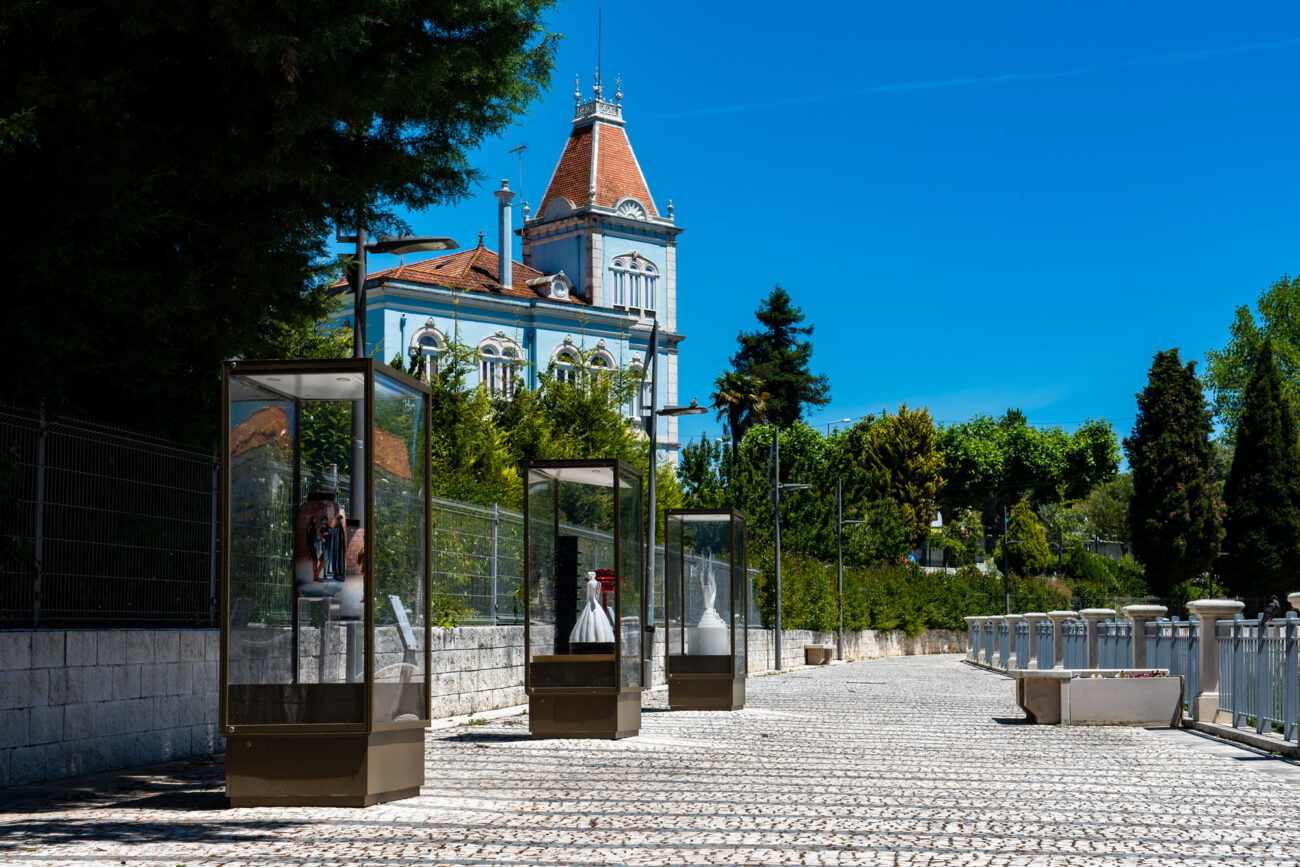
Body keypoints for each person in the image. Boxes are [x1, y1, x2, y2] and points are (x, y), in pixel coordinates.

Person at [570, 571, 614, 644]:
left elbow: (589, 594)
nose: (588, 577)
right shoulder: (597, 583)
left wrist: (587, 600)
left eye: (589, 575)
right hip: (595, 602)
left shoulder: (589, 583)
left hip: (590, 601)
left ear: (591, 576)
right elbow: (597, 596)